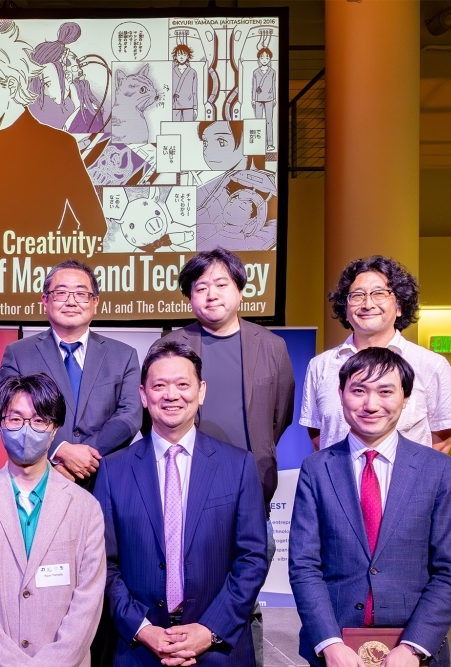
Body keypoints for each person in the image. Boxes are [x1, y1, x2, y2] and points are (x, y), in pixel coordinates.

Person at [94, 339, 268, 666]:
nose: (171, 395)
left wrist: (209, 629)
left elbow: (252, 559)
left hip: (218, 648)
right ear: (143, 395)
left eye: (183, 385)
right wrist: (142, 628)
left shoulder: (238, 465)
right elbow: (103, 564)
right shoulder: (113, 470)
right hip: (138, 650)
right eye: (159, 385)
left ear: (201, 392)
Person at [289, 347, 451, 667]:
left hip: (413, 649)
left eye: (385, 391)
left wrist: (414, 647)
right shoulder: (317, 469)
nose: (371, 404)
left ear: (405, 398)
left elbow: (450, 570)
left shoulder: (437, 469)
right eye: (358, 390)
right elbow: (304, 565)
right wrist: (329, 642)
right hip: (336, 649)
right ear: (341, 394)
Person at [164, 249, 294, 667]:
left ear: (240, 290)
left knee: (245, 598)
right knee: (184, 598)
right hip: (185, 495)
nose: (211, 294)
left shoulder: (271, 346)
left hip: (249, 496)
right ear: (189, 296)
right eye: (200, 287)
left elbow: (280, 416)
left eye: (221, 284)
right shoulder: (171, 345)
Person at [0, 373, 106, 667]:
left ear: (54, 429)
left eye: (39, 420)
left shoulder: (86, 509)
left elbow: (88, 603)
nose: (26, 430)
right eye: (15, 419)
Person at [0, 22, 107, 240]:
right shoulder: (58, 144)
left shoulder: (57, 145)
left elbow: (95, 226)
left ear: (12, 85)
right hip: (35, 260)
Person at [0, 260, 141, 490]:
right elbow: (8, 413)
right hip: (40, 478)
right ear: (45, 300)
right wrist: (59, 449)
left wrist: (85, 456)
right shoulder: (18, 354)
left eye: (81, 294)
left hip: (107, 478)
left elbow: (130, 415)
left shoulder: (123, 355)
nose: (71, 301)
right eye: (61, 293)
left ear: (95, 303)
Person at [300, 256, 451, 453]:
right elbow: (318, 433)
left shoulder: (431, 365)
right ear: (346, 309)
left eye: (379, 294)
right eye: (357, 295)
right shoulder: (320, 365)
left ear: (399, 306)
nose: (367, 304)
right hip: (338, 472)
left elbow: (442, 440)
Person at [250, 48, 275, 151]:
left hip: (269, 98)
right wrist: (253, 99)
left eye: (266, 58)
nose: (264, 60)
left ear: (269, 59)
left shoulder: (272, 72)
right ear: (259, 59)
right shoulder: (255, 72)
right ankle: (259, 144)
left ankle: (270, 143)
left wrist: (274, 98)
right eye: (262, 57)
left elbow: (273, 86)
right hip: (258, 99)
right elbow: (254, 86)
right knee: (258, 121)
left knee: (269, 121)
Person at [171, 44, 198, 122]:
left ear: (188, 56)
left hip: (189, 105)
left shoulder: (192, 72)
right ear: (176, 56)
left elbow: (194, 91)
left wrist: (195, 107)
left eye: (184, 54)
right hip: (175, 106)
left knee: (188, 126)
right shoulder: (172, 71)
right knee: (175, 126)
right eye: (179, 55)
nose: (181, 57)